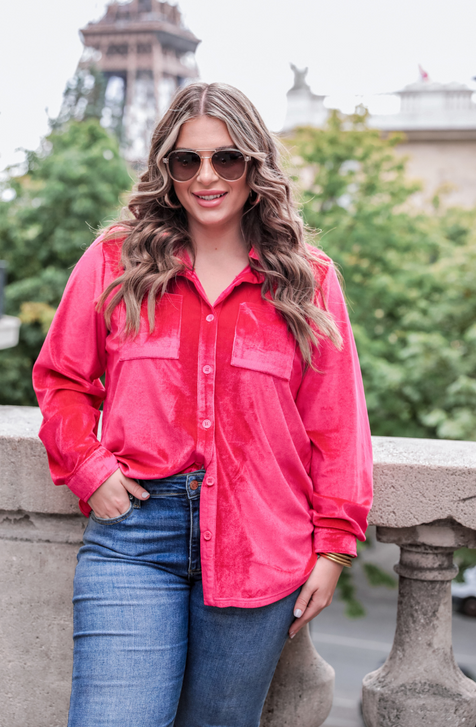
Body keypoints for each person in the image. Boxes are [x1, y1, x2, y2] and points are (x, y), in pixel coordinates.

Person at [33, 81, 373, 727]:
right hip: (136, 537)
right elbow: (62, 379)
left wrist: (333, 548)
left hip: (259, 542)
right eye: (187, 161)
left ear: (254, 164)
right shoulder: (115, 259)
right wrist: (89, 467)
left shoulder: (308, 279)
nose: (206, 176)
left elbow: (337, 426)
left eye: (226, 159)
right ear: (166, 169)